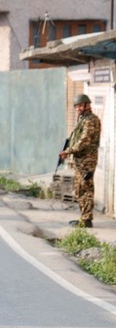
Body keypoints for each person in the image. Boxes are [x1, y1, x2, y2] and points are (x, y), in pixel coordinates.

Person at [59, 93, 101, 228]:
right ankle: (84, 217)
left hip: (87, 161)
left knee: (85, 189)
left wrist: (68, 151)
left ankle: (87, 220)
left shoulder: (90, 120)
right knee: (79, 189)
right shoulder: (83, 119)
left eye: (79, 106)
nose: (77, 109)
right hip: (80, 160)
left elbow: (84, 141)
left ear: (85, 105)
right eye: (76, 106)